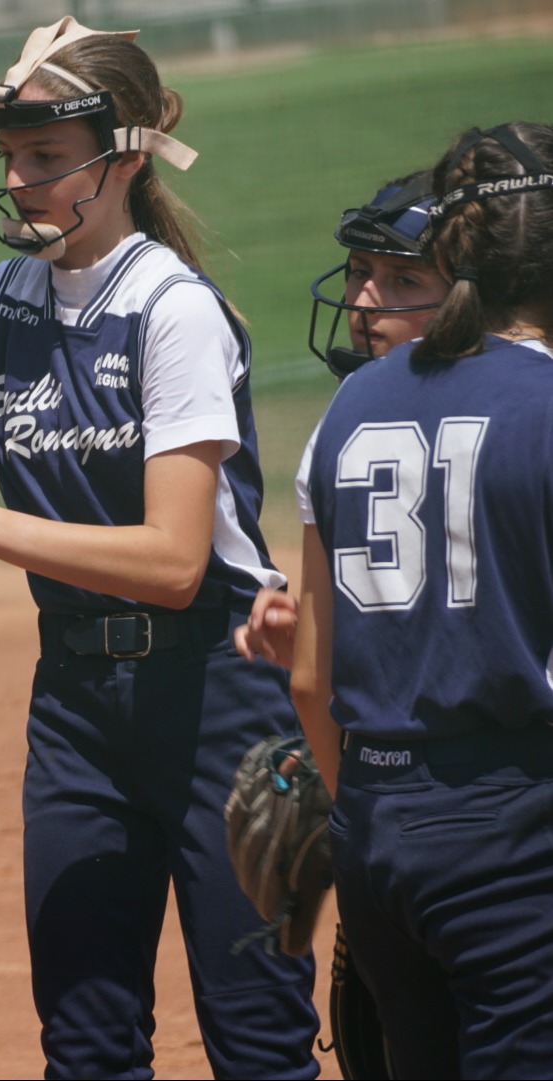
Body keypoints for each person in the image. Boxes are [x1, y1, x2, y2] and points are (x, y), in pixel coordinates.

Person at [0, 16, 318, 1078]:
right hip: (78, 707)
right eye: (10, 155)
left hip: (217, 692)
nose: (18, 179)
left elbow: (174, 563)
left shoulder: (171, 310)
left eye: (45, 155)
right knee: (85, 1045)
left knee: (258, 1044)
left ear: (124, 158)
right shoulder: (0, 301)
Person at [290, 121, 553, 1079]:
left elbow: (309, 678)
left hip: (376, 829)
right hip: (514, 826)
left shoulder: (350, 406)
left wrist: (363, 820)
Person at [236, 171, 449, 670]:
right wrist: (309, 640)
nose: (363, 300)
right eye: (358, 270)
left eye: (404, 279)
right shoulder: (346, 417)